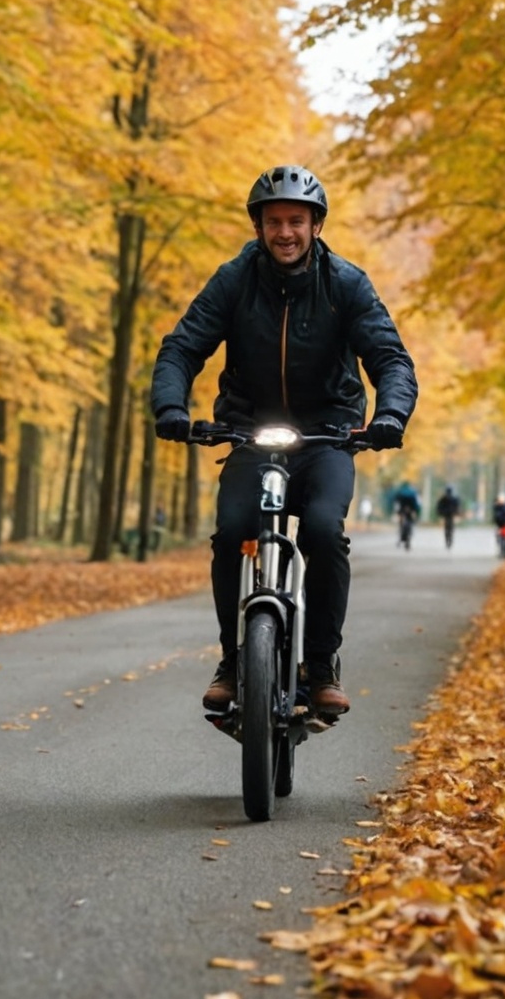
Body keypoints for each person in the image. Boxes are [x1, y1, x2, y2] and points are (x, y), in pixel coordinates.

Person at [151, 164, 418, 722]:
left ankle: (320, 667)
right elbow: (182, 347)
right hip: (250, 433)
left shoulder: (346, 283)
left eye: (296, 221)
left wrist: (389, 415)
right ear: (258, 227)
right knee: (231, 536)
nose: (285, 233)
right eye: (274, 222)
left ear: (316, 226)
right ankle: (232, 660)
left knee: (323, 531)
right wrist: (171, 408)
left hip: (327, 435)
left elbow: (390, 359)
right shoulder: (234, 279)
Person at [391, 481, 420, 549]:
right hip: (411, 509)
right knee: (411, 522)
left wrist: (397, 511)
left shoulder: (400, 492)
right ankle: (409, 537)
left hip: (402, 509)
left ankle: (400, 538)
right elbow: (416, 503)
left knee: (401, 523)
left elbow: (396, 501)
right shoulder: (413, 492)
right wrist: (416, 511)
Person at [434, 485, 462, 550]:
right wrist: (458, 514)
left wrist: (440, 514)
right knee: (449, 529)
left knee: (447, 529)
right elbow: (458, 507)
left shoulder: (443, 499)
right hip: (451, 515)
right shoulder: (455, 498)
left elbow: (439, 507)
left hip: (447, 515)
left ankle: (448, 540)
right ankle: (449, 540)